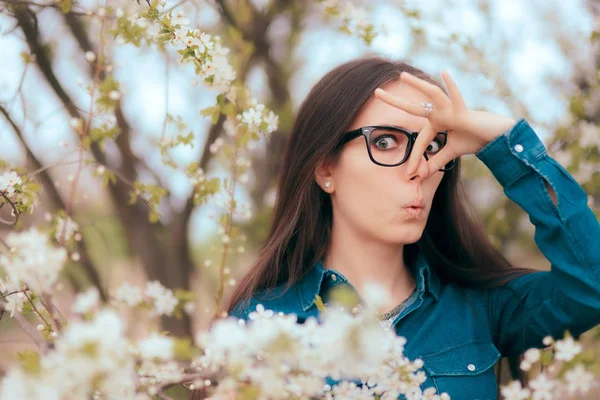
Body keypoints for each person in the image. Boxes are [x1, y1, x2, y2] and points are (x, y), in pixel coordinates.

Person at [225, 55, 600, 398]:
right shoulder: (262, 324)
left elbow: (591, 285)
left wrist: (500, 140)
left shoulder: (481, 308)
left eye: (431, 147)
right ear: (326, 169)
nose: (418, 168)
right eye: (386, 142)